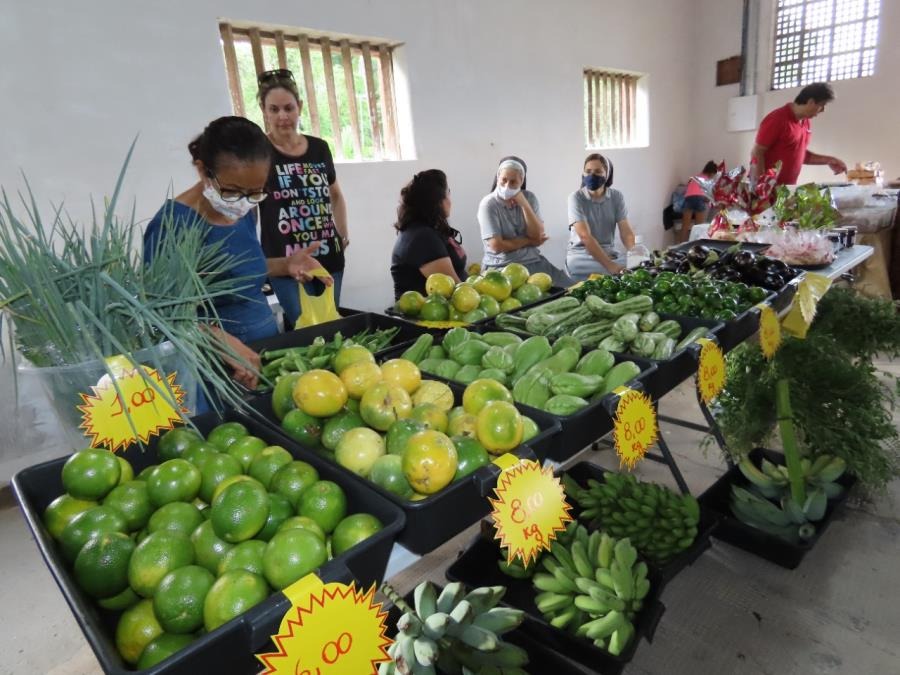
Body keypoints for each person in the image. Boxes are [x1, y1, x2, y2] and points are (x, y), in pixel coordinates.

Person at [143, 116, 329, 390]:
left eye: (255, 192)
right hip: (211, 369)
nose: (243, 202)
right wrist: (217, 339)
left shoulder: (243, 210)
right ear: (202, 170)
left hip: (262, 354)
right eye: (232, 191)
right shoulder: (172, 226)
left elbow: (241, 268)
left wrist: (286, 265)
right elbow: (160, 314)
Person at [256, 68, 349, 328]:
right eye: (274, 109)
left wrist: (342, 234)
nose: (282, 116)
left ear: (300, 107)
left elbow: (336, 195)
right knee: (303, 329)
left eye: (288, 108)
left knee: (329, 326)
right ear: (264, 111)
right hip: (284, 262)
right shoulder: (259, 152)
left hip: (328, 257)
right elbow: (250, 209)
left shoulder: (320, 148)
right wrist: (256, 259)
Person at [477, 156, 572, 287]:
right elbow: (497, 246)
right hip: (501, 267)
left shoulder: (529, 198)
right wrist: (529, 241)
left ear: (521, 181)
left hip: (533, 262)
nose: (507, 186)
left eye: (513, 182)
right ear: (498, 177)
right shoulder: (488, 204)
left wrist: (523, 204)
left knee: (570, 289)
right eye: (503, 180)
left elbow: (538, 235)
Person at [750, 82, 847, 186]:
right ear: (811, 102)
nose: (823, 110)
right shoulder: (778, 119)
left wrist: (830, 160)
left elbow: (798, 154)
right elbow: (757, 152)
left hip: (787, 189)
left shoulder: (806, 122)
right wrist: (762, 186)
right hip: (767, 190)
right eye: (822, 105)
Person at [391, 169, 467, 299]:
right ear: (438, 201)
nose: (450, 199)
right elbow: (455, 292)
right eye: (448, 193)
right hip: (431, 314)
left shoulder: (429, 228)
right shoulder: (422, 238)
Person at [565, 154, 636, 280]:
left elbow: (626, 232)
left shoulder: (616, 196)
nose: (592, 175)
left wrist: (635, 252)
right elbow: (585, 236)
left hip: (609, 253)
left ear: (607, 174)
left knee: (638, 266)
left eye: (598, 171)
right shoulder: (576, 198)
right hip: (582, 256)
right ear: (583, 174)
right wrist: (611, 267)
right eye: (588, 171)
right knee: (622, 273)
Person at [676, 160, 718, 243]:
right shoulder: (708, 181)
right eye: (714, 174)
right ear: (711, 172)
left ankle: (681, 245)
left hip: (688, 199)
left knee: (685, 226)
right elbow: (708, 197)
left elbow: (688, 188)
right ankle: (697, 245)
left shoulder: (695, 177)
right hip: (699, 199)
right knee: (699, 227)